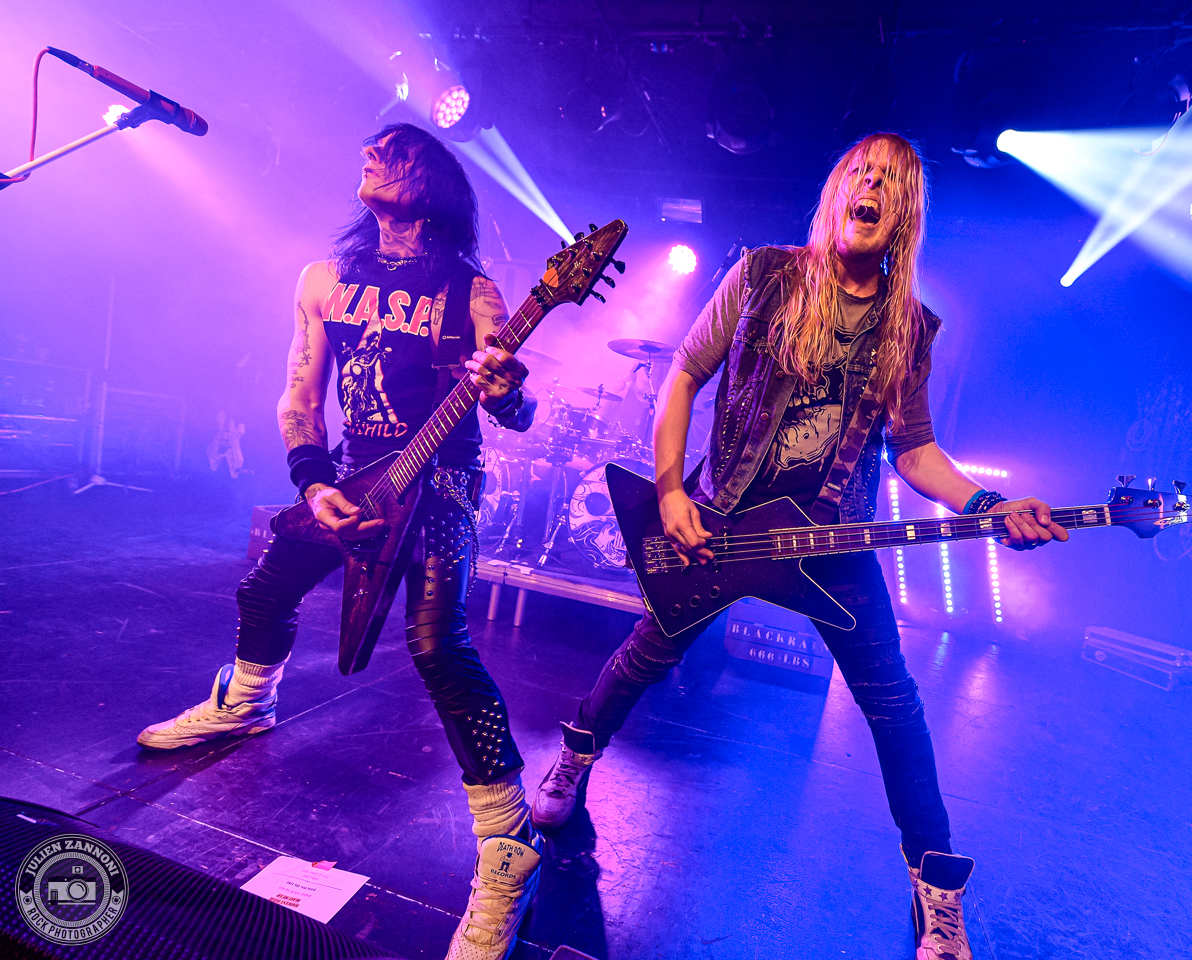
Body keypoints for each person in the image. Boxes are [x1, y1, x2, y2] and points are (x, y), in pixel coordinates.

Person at [529, 133, 1069, 960]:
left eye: (889, 181)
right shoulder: (763, 276)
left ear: (904, 212)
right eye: (860, 172)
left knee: (893, 704)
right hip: (723, 518)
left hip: (831, 539)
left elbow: (915, 451)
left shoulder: (910, 328)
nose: (871, 186)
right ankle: (574, 758)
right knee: (648, 652)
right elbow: (684, 373)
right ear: (837, 191)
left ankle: (936, 893)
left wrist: (989, 506)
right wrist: (670, 491)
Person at [137, 123, 543, 960]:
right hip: (354, 480)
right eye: (367, 148)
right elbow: (299, 394)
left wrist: (508, 391)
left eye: (394, 150)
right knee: (264, 589)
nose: (370, 154)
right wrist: (315, 485)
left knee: (437, 645)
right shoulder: (324, 279)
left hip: (443, 484)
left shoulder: (473, 292)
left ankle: (511, 838)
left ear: (430, 181)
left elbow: (516, 411)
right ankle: (248, 703)